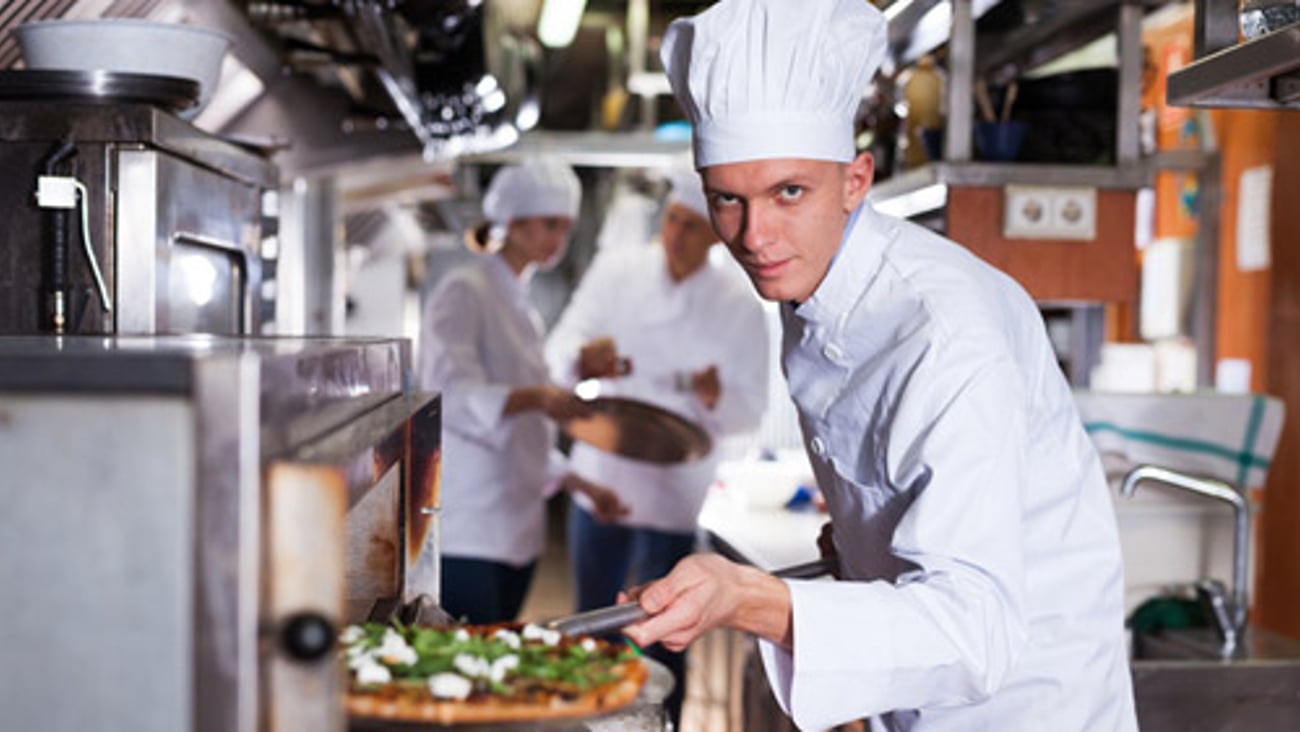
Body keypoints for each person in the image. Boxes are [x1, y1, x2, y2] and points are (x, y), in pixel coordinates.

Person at [621, 1, 1139, 730]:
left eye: (788, 192)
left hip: (1025, 711)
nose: (755, 235)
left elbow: (973, 632)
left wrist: (747, 598)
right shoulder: (815, 290)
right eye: (726, 200)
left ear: (857, 180)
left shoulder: (943, 332)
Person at [544, 169, 769, 726]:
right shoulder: (617, 271)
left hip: (673, 496)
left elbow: (751, 411)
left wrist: (717, 396)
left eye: (692, 227)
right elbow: (558, 350)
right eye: (671, 221)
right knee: (593, 628)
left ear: (716, 234)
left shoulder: (738, 303)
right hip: (603, 483)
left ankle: (656, 724)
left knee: (664, 637)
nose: (676, 234)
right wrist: (581, 362)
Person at [417, 158, 627, 625]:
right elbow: (448, 394)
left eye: (566, 228)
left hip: (516, 531)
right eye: (549, 224)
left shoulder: (519, 306)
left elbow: (523, 434)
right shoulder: (465, 291)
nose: (559, 239)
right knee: (469, 669)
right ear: (511, 222)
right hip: (470, 532)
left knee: (493, 659)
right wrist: (539, 397)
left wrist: (584, 485)